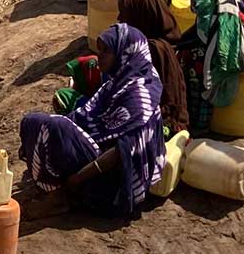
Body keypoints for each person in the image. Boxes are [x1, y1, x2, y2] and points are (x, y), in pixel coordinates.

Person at [19, 23, 164, 219]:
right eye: (100, 49)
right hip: (97, 156)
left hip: (115, 183)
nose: (99, 56)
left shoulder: (139, 96)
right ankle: (61, 191)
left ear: (123, 53)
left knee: (53, 127)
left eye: (106, 51)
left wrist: (77, 178)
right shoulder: (116, 82)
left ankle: (62, 197)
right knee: (34, 122)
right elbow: (85, 116)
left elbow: (121, 152)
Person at [170, 0, 244, 136]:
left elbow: (207, 37)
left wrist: (179, 47)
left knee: (193, 62)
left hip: (233, 52)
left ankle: (199, 124)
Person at [116, 0, 188, 136]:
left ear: (140, 15)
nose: (119, 18)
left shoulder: (153, 50)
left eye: (124, 13)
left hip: (155, 125)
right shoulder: (158, 42)